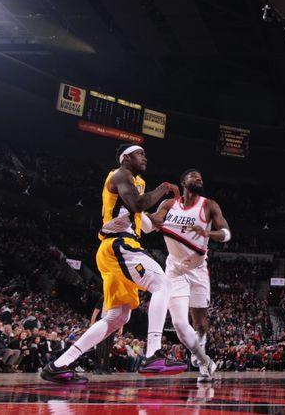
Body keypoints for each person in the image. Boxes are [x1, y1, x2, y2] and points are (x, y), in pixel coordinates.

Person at [41, 144, 186, 384]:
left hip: (116, 249)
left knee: (117, 318)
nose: (145, 158)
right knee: (161, 283)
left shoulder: (133, 189)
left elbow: (150, 223)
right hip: (118, 245)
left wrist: (165, 208)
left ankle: (58, 365)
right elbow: (139, 205)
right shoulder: (120, 175)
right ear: (126, 157)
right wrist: (162, 189)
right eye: (141, 154)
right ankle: (153, 355)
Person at [149, 169, 230, 382]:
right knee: (178, 323)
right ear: (184, 181)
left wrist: (208, 233)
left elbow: (226, 233)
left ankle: (202, 352)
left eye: (201, 177)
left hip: (198, 269)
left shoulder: (209, 205)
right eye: (194, 176)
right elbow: (154, 221)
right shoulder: (168, 205)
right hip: (175, 269)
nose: (199, 179)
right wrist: (149, 219)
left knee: (200, 324)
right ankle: (205, 362)